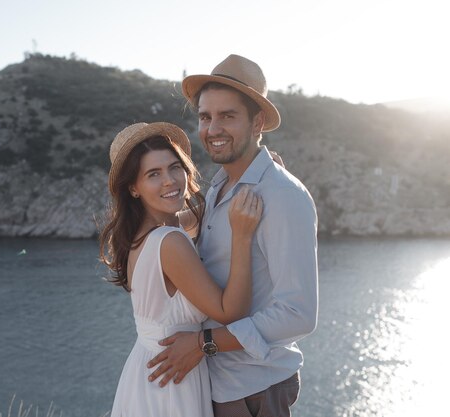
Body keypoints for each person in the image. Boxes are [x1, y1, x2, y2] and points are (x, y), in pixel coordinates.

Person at [146, 54, 319, 417]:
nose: (213, 129)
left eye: (228, 116)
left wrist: (203, 343)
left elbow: (298, 314)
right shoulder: (219, 187)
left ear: (258, 122)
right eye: (206, 117)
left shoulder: (283, 196)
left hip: (256, 387)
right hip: (217, 385)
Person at [99, 121, 263, 417]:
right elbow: (231, 312)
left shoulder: (139, 234)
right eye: (153, 174)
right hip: (172, 382)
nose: (170, 180)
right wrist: (242, 236)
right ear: (133, 188)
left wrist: (258, 168)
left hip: (148, 372)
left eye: (175, 167)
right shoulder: (170, 241)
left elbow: (198, 215)